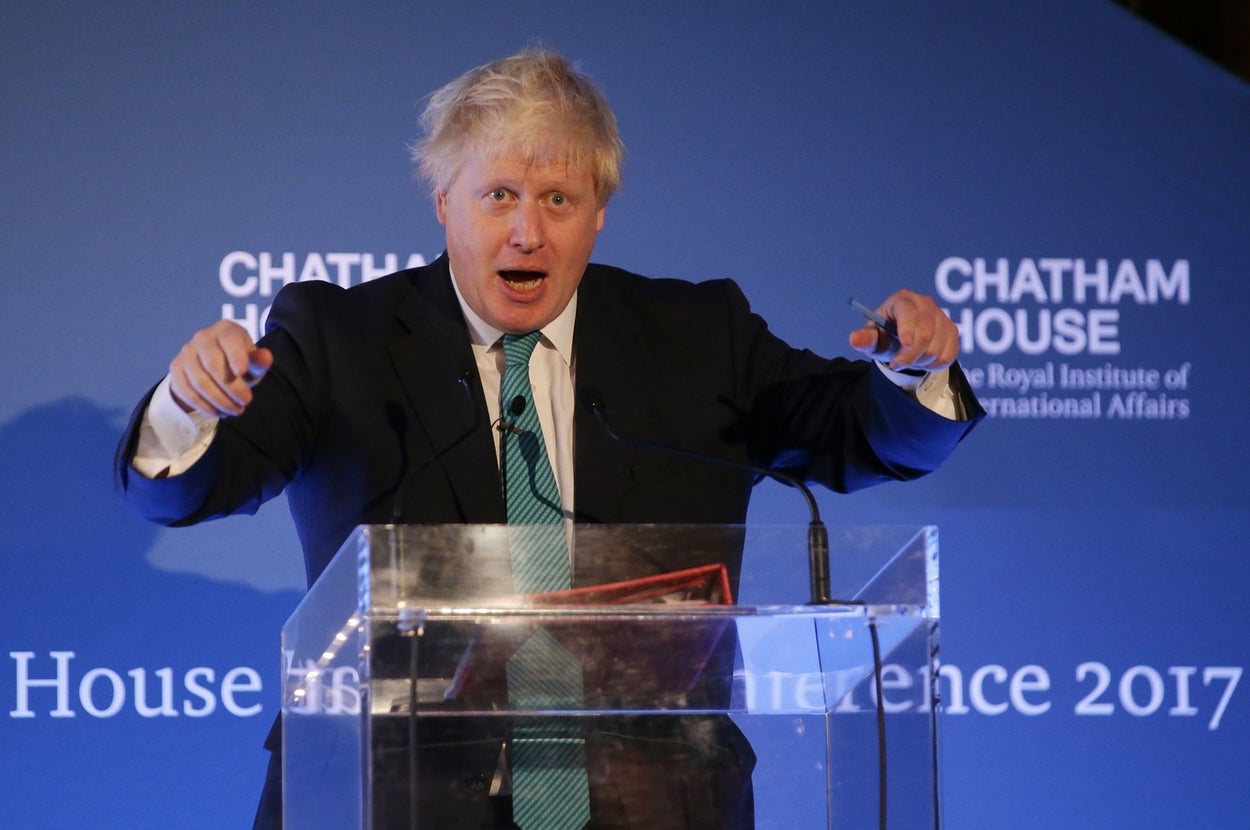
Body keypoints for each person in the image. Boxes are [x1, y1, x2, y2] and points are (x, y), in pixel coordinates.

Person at [116, 49, 982, 830]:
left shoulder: (697, 336)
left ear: (598, 213)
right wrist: (189, 406)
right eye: (499, 195)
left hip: (652, 799)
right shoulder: (341, 337)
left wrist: (914, 371)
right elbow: (195, 485)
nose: (527, 231)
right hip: (389, 800)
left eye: (558, 199)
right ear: (444, 202)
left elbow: (858, 434)